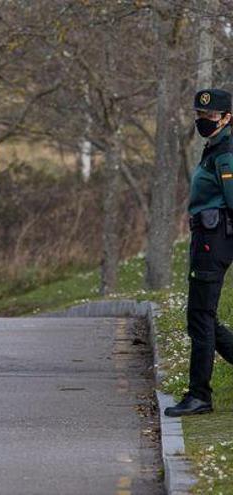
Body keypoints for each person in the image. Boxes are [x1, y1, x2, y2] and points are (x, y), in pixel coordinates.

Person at [165, 89, 233, 417]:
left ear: (226, 118)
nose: (202, 121)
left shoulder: (226, 150)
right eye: (200, 115)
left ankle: (199, 395)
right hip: (207, 236)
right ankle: (198, 393)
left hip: (214, 238)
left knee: (200, 317)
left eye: (209, 117)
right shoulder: (214, 148)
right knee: (200, 316)